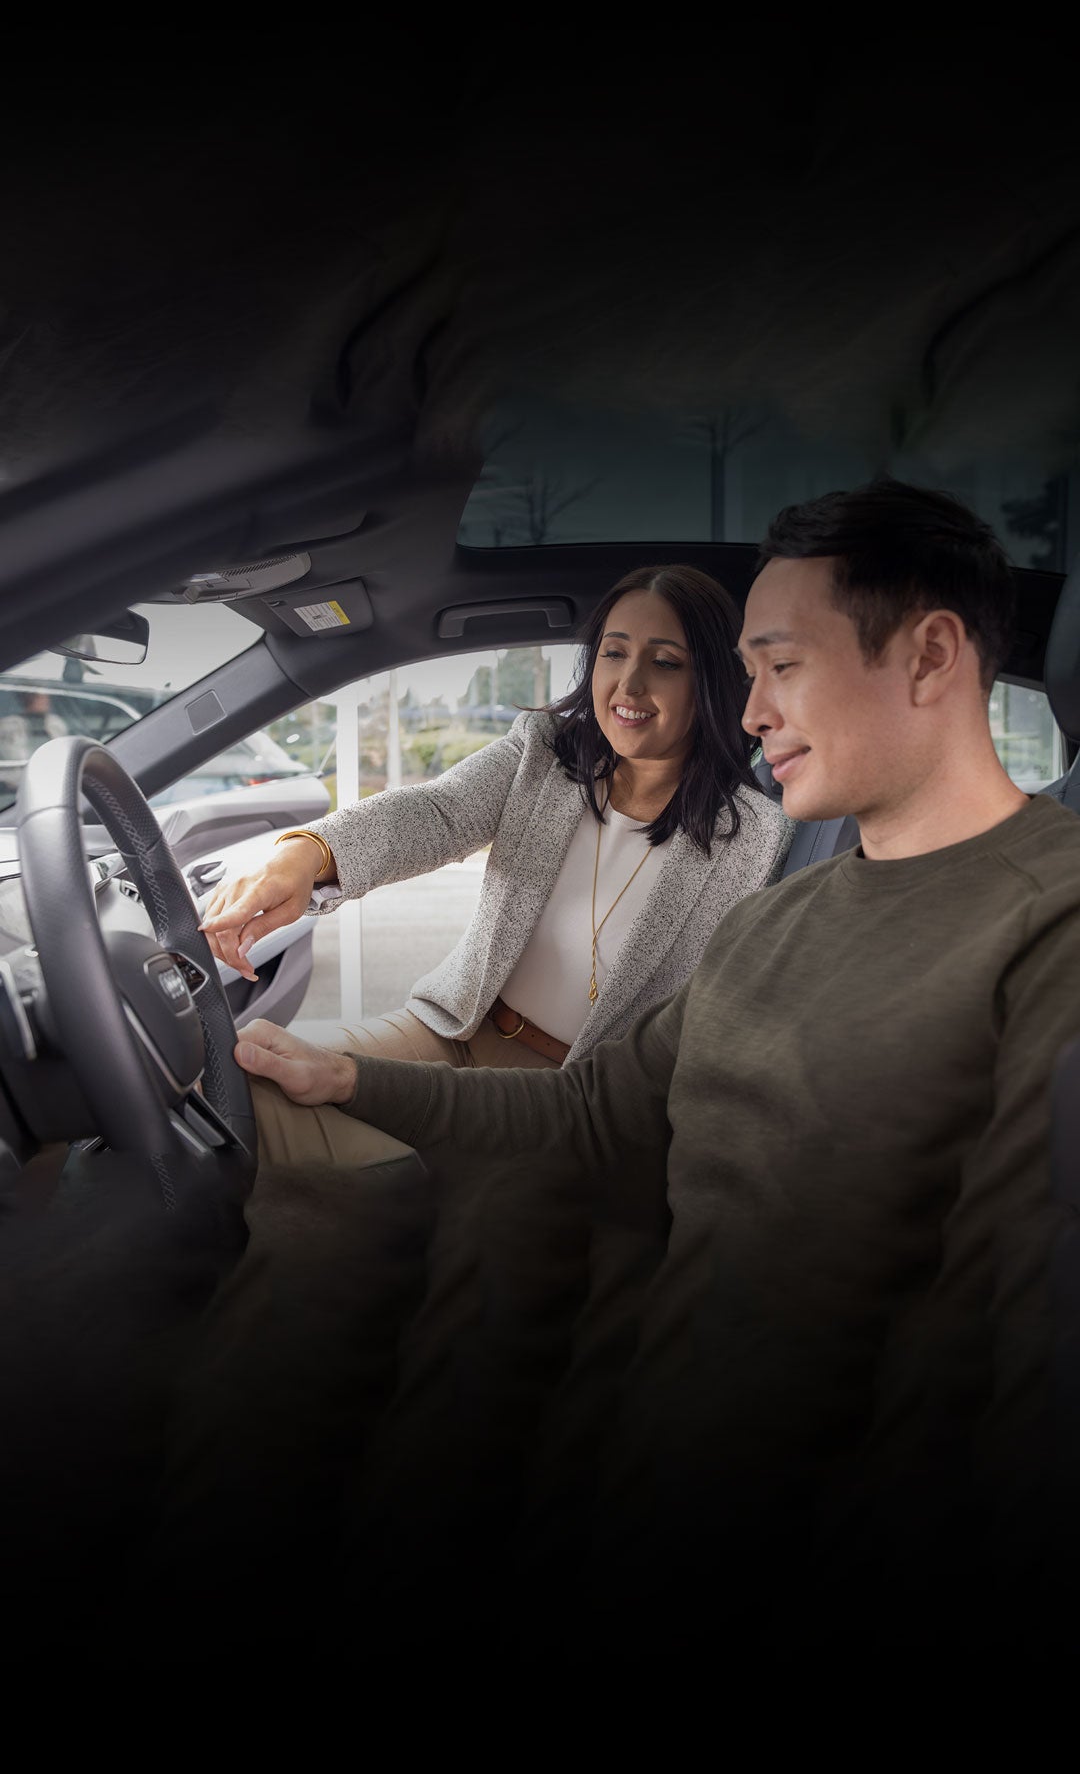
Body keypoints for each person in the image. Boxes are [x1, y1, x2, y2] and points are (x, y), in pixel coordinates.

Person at [224, 476, 1080, 1651]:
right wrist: (345, 1060)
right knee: (298, 1210)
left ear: (929, 657)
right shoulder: (785, 915)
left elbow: (1021, 1354)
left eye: (778, 666)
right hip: (598, 1347)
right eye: (747, 671)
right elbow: (592, 1113)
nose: (755, 709)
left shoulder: (1037, 923)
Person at [199, 563, 792, 1158]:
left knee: (334, 1164)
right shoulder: (545, 752)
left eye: (665, 662)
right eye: (614, 654)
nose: (628, 685)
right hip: (454, 1028)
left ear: (711, 680)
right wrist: (306, 853)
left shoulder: (754, 838)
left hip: (572, 1096)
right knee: (239, 1089)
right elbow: (437, 812)